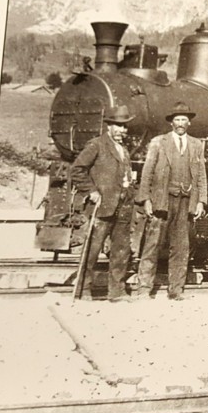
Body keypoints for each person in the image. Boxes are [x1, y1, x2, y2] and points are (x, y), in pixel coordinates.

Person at [137, 101, 208, 301]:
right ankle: (144, 288)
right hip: (162, 201)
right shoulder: (158, 142)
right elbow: (147, 172)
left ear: (189, 123)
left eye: (184, 119)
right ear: (171, 123)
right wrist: (145, 199)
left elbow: (201, 175)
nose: (180, 123)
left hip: (185, 202)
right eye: (177, 119)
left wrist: (201, 200)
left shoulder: (196, 145)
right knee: (152, 245)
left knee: (181, 248)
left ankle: (176, 290)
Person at [71, 105, 135, 301]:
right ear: (109, 126)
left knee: (121, 251)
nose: (122, 130)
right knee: (92, 250)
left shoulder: (124, 150)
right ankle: (83, 289)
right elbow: (77, 170)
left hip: (123, 208)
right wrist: (91, 191)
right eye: (118, 126)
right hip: (102, 207)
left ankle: (116, 291)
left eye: (124, 127)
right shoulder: (96, 145)